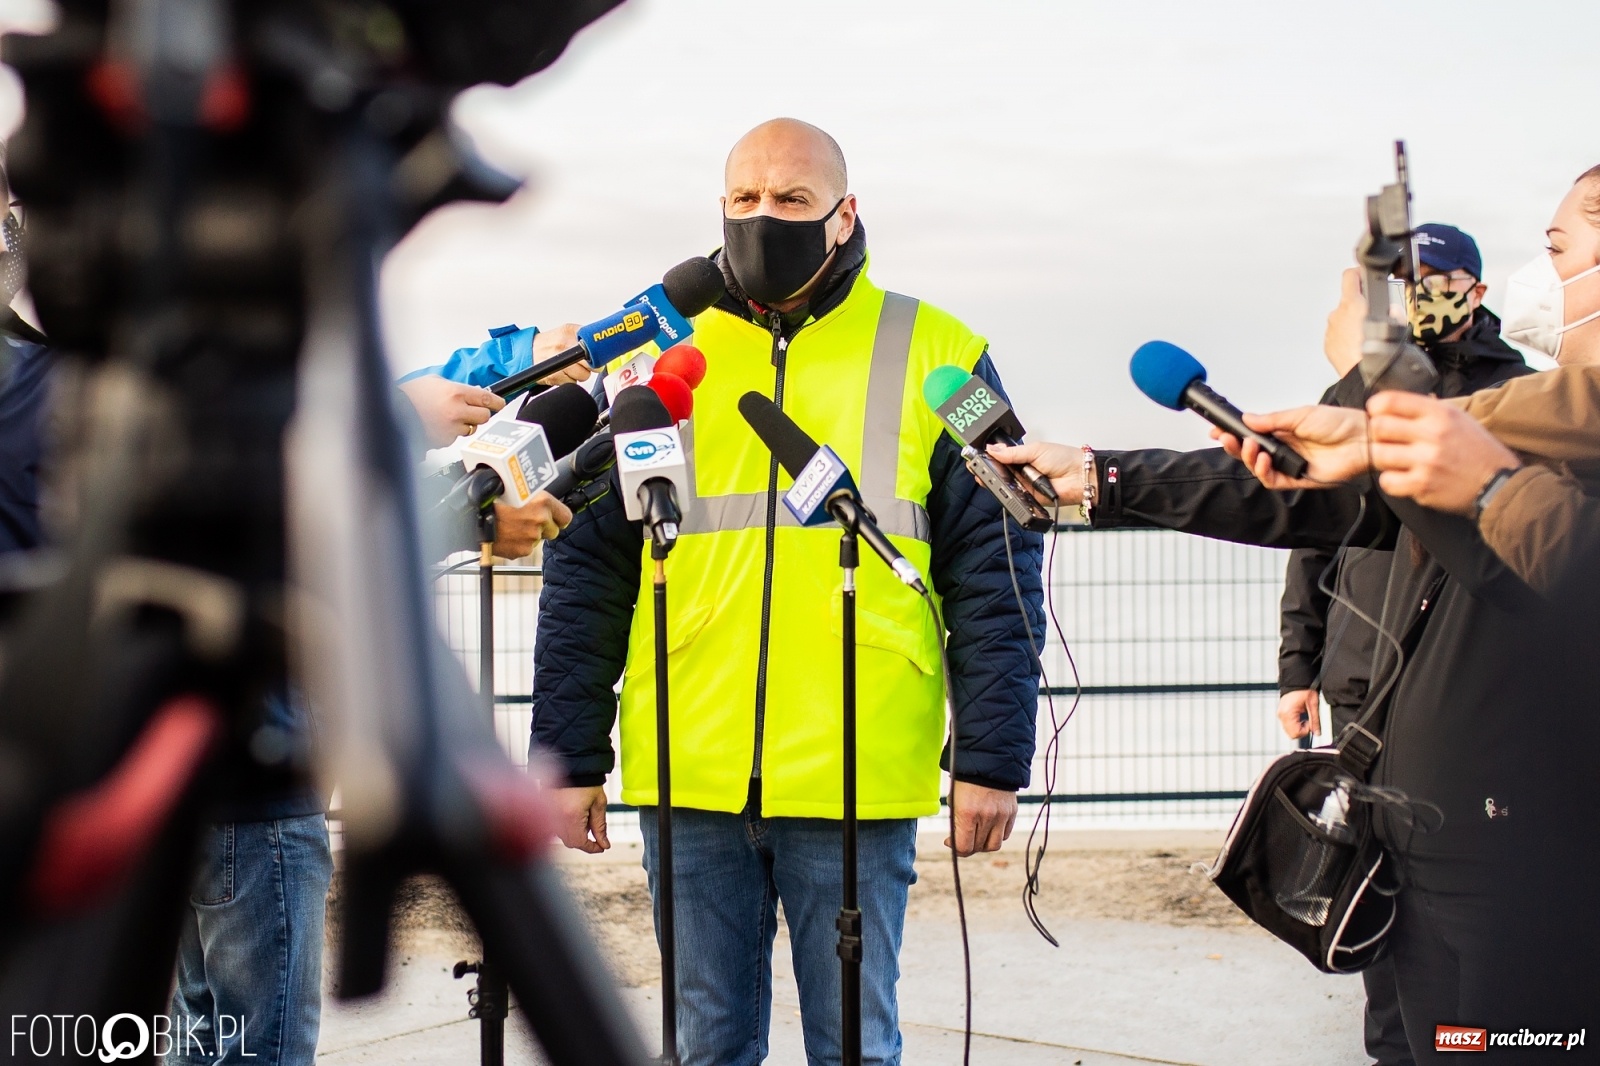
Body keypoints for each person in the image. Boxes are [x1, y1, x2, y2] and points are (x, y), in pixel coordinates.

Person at [986, 169, 1600, 1064]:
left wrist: (1403, 408)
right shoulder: (1533, 409)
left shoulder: (1532, 412)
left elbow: (1519, 556)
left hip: (1516, 860)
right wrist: (1101, 477)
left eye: (1554, 250)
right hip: (1412, 832)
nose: (1535, 277)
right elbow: (1310, 507)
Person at [531, 118, 1043, 1066]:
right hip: (690, 766)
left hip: (857, 767)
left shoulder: (945, 353)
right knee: (705, 1045)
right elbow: (586, 563)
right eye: (745, 199)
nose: (765, 217)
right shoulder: (648, 354)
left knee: (854, 1045)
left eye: (793, 200)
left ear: (845, 216)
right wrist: (566, 752)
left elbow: (999, 563)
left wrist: (993, 756)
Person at [1274, 225, 1529, 1066]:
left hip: (1468, 702)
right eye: (1406, 280)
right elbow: (1310, 545)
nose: (1422, 294)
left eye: (1439, 279)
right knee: (1374, 905)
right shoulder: (1350, 397)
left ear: (1477, 291)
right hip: (1360, 691)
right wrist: (1296, 670)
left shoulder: (1520, 394)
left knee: (1473, 913)